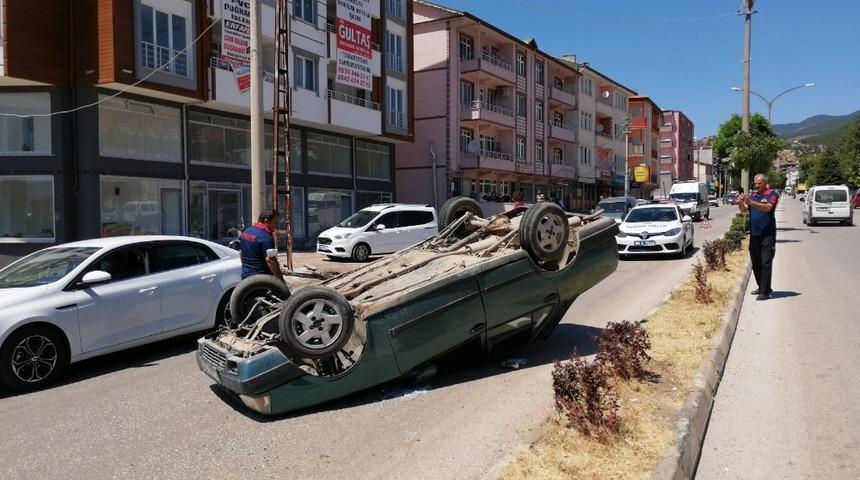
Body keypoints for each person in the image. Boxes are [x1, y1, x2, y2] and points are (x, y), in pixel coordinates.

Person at [738, 174, 778, 300]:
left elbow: (767, 208)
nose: (756, 185)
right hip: (754, 234)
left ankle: (765, 292)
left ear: (765, 182)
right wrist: (741, 202)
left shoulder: (772, 194)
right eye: (755, 183)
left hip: (767, 234)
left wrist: (751, 202)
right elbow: (744, 210)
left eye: (759, 183)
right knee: (756, 262)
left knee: (766, 262)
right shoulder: (753, 195)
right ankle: (762, 286)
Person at [239, 209, 286, 282]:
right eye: (275, 222)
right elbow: (271, 261)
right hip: (261, 279)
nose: (276, 226)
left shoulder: (246, 231)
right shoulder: (266, 237)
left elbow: (241, 253)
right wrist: (281, 281)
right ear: (266, 221)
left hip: (245, 277)